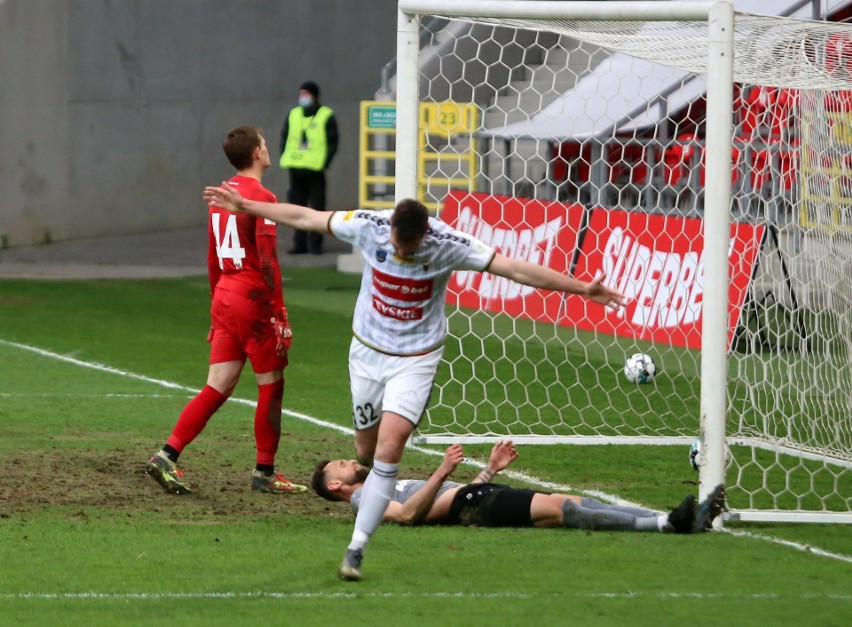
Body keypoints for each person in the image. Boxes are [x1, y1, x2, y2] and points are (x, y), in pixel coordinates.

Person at [200, 185, 626, 582]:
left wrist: (581, 288)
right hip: (366, 354)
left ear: (425, 234)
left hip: (416, 358)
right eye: (397, 247)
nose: (401, 253)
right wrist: (247, 206)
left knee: (389, 450)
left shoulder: (449, 245)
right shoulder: (371, 227)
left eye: (409, 247)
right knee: (365, 451)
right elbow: (307, 216)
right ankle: (373, 493)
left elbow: (515, 269)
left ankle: (356, 548)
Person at [145, 126, 307, 496]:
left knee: (217, 385)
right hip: (251, 297)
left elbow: (212, 254)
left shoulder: (221, 196)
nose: (268, 150)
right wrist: (279, 313)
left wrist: (215, 307)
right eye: (264, 145)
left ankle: (167, 455)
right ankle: (264, 472)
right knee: (271, 383)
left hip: (224, 294)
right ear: (255, 154)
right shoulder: (261, 197)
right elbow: (268, 261)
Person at [312, 441, 727, 533]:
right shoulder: (364, 498)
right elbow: (405, 517)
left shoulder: (380, 484)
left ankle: (677, 520)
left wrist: (488, 470)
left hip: (474, 499)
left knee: (574, 502)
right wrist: (440, 472)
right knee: (565, 511)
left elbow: (444, 500)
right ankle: (670, 525)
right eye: (342, 465)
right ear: (336, 484)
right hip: (472, 507)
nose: (351, 461)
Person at [279, 80, 339, 255]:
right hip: (296, 168)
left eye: (306, 94)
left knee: (317, 207)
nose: (302, 97)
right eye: (301, 94)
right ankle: (299, 244)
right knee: (297, 207)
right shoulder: (294, 114)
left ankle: (315, 245)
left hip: (315, 169)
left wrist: (325, 162)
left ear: (314, 96)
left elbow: (332, 142)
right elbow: (285, 137)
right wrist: (286, 155)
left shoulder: (325, 115)